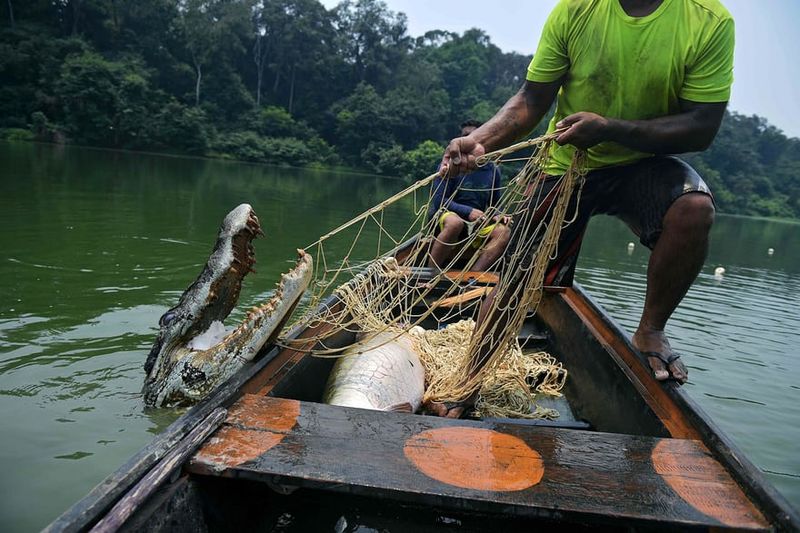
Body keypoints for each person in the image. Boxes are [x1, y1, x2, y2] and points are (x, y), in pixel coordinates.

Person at [429, 0, 734, 417]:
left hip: (642, 163)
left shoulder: (708, 21)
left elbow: (702, 127)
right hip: (568, 164)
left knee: (693, 208)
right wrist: (481, 140)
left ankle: (650, 330)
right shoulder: (577, 10)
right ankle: (468, 381)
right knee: (518, 277)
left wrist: (610, 129)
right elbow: (530, 100)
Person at [428, 120, 511, 272]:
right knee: (455, 223)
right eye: (466, 136)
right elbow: (439, 201)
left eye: (475, 136)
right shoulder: (449, 166)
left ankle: (472, 278)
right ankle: (429, 273)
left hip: (477, 224)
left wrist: (500, 214)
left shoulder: (492, 170)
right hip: (447, 219)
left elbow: (495, 203)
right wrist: (468, 212)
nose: (470, 139)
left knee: (503, 232)